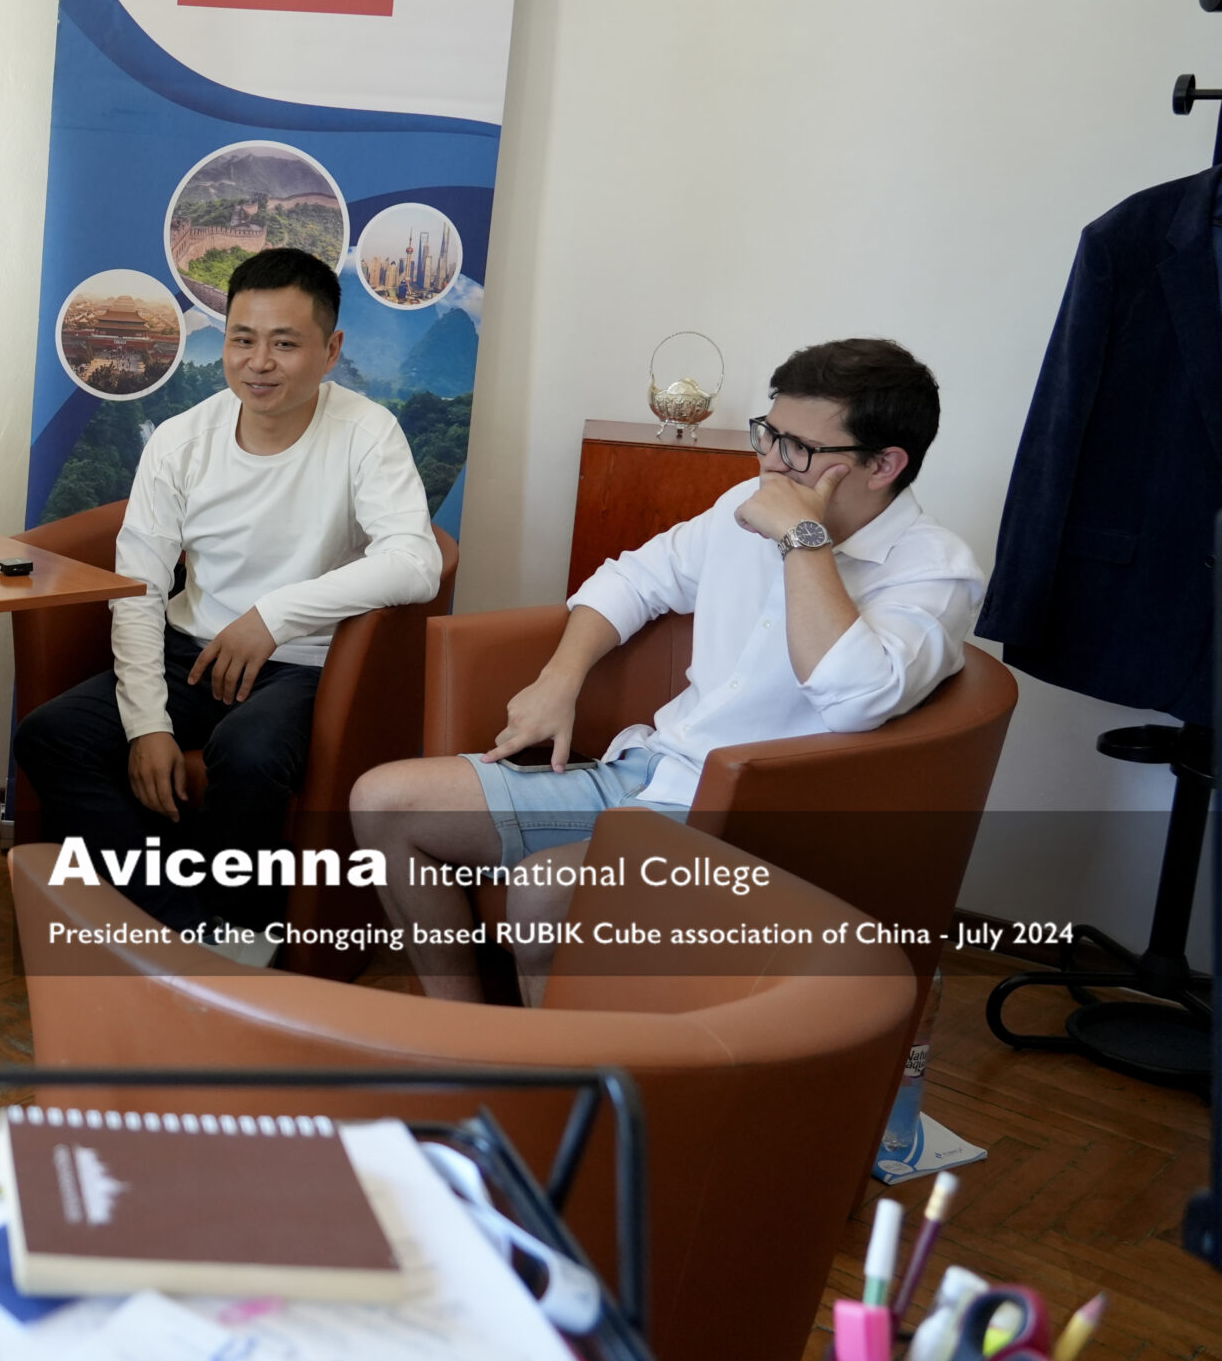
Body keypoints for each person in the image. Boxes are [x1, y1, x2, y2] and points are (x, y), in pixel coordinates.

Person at [353, 338, 985, 1003]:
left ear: (884, 464)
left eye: (799, 448)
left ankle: (553, 1065)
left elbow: (855, 698)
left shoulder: (935, 572)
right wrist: (559, 680)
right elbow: (633, 579)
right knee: (384, 802)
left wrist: (804, 540)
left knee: (545, 891)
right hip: (652, 770)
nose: (770, 461)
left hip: (752, 823)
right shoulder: (746, 503)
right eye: (769, 434)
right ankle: (461, 1034)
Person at [13, 248, 443, 949]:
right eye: (243, 339)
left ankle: (229, 931)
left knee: (247, 751)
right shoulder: (181, 440)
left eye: (285, 343)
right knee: (50, 734)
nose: (258, 362)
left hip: (304, 665)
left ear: (331, 350)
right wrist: (147, 724)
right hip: (193, 651)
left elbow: (416, 561)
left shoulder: (366, 432)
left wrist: (272, 617)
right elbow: (140, 586)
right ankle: (189, 926)